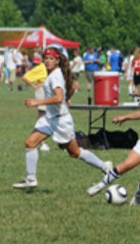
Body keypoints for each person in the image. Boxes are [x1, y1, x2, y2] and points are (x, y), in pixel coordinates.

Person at [13, 47, 113, 189]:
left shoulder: (55, 76)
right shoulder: (54, 73)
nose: (48, 61)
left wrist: (37, 102)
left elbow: (59, 98)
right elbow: (71, 88)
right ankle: (31, 179)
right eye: (46, 58)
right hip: (50, 118)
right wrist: (67, 98)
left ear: (57, 61)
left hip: (61, 121)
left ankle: (104, 166)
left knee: (75, 152)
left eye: (51, 58)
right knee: (30, 143)